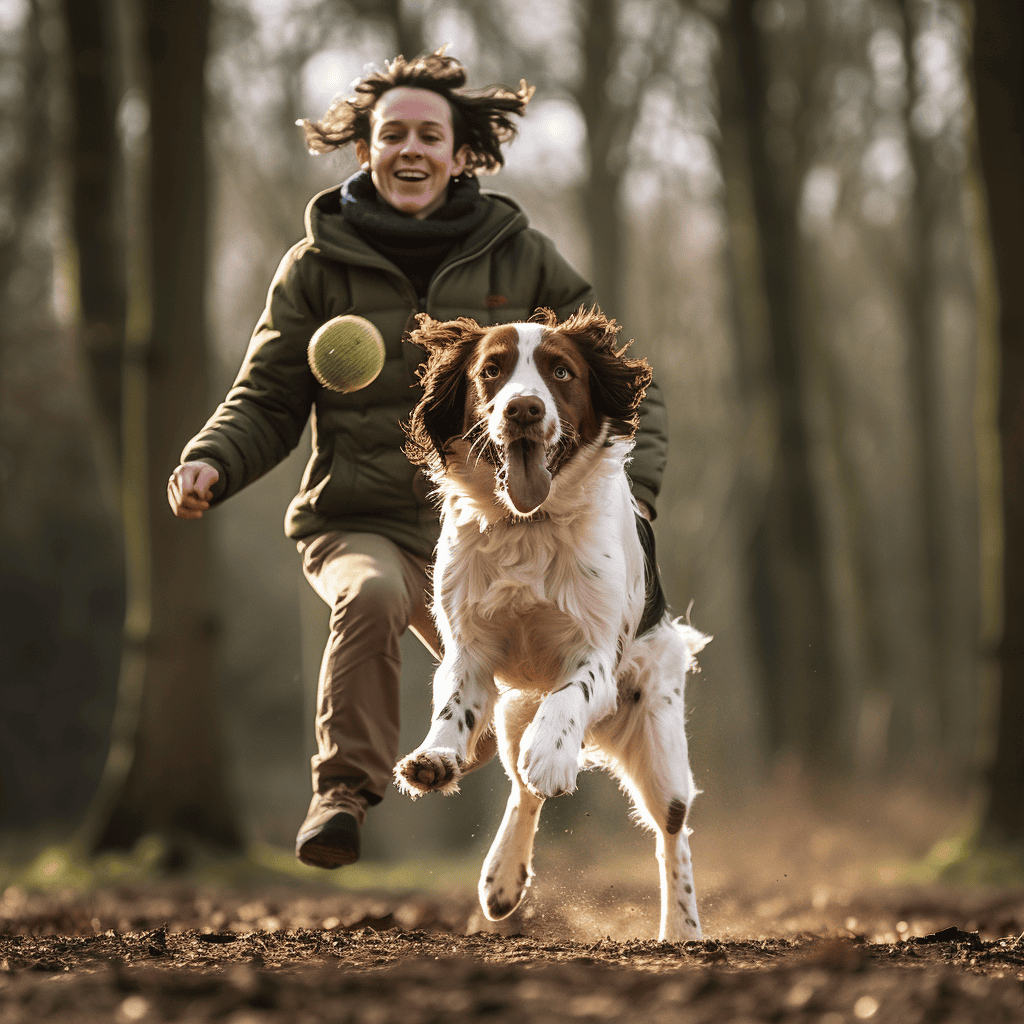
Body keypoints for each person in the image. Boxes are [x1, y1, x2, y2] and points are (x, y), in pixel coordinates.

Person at [167, 50, 668, 869]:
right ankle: (343, 794)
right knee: (365, 598)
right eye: (389, 132)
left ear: (460, 152)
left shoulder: (522, 256)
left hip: (495, 531)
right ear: (363, 148)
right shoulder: (316, 267)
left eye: (429, 135)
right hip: (362, 518)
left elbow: (614, 383)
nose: (409, 148)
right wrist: (210, 460)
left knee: (490, 702)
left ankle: (479, 788)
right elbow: (265, 394)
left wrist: (633, 497)